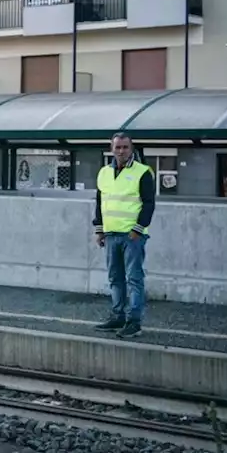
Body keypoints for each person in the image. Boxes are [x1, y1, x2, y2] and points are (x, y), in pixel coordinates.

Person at [93, 131, 156, 339]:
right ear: (112, 149)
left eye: (125, 147)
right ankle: (118, 316)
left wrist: (138, 229)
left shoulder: (143, 172)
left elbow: (149, 203)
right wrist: (99, 229)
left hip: (132, 236)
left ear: (132, 149)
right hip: (111, 234)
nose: (121, 151)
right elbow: (100, 203)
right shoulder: (103, 173)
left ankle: (134, 322)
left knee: (134, 279)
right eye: (117, 147)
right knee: (115, 278)